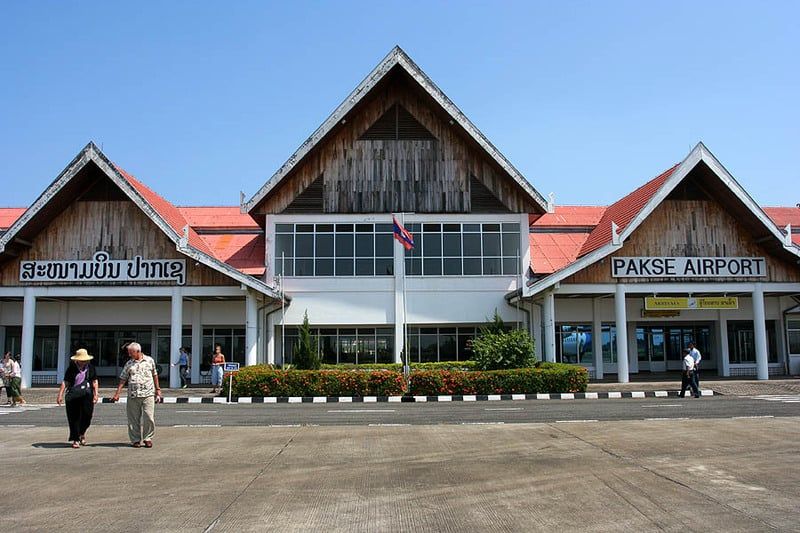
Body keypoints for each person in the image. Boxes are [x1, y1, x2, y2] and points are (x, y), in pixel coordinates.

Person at [112, 342, 162, 448]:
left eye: (131, 352)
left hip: (148, 393)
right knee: (133, 419)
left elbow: (155, 375)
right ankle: (135, 439)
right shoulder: (129, 364)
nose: (130, 355)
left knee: (149, 417)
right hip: (133, 395)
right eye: (129, 353)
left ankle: (148, 438)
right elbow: (123, 379)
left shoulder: (149, 360)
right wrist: (117, 393)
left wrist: (158, 389)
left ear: (138, 351)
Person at [56, 349, 99, 448]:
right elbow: (65, 382)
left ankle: (82, 433)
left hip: (87, 395)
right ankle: (75, 439)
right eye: (81, 360)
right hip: (73, 396)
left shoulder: (91, 368)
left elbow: (94, 381)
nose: (84, 362)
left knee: (87, 416)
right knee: (74, 418)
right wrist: (60, 395)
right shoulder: (71, 368)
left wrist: (96, 394)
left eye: (85, 360)